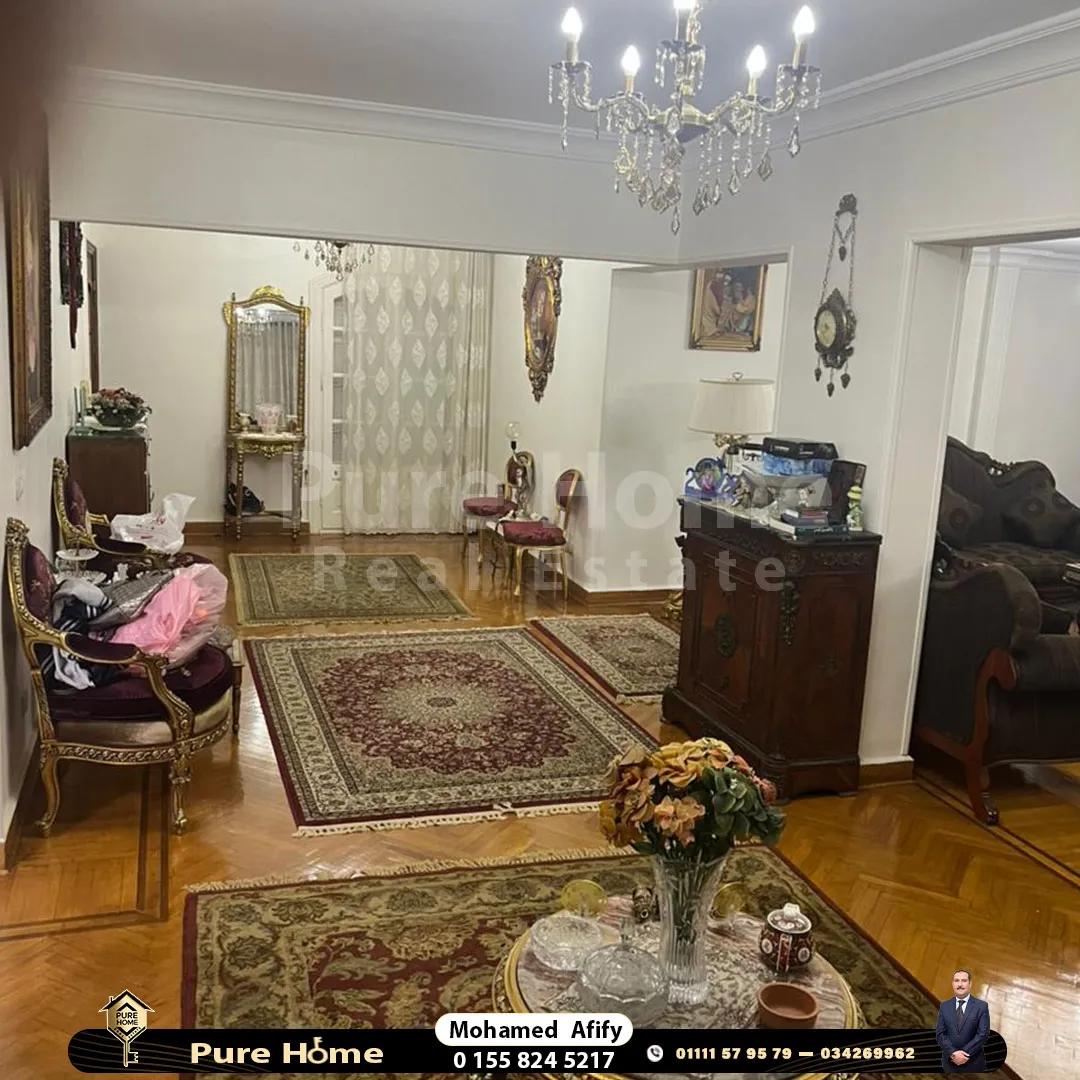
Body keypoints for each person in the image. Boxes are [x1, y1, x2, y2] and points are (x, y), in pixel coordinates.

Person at [935, 968, 990, 1072]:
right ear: (953, 984)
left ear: (970, 984)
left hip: (974, 1063)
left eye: (964, 981)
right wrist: (953, 1053)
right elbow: (940, 1033)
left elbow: (983, 1035)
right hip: (949, 1063)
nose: (960, 984)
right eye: (957, 981)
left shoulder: (981, 1006)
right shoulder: (944, 1006)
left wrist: (963, 1054)